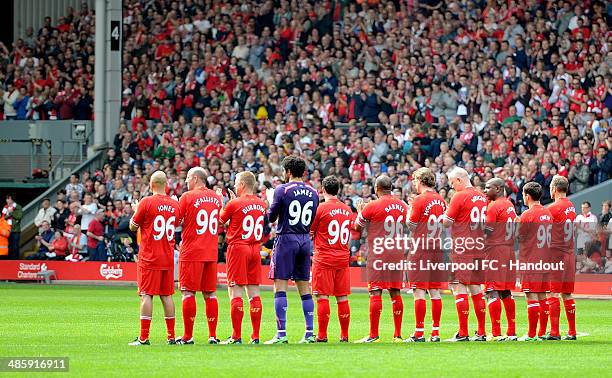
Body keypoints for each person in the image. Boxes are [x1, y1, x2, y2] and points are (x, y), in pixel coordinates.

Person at [265, 156, 319, 344]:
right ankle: (309, 333)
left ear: (288, 172)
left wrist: (270, 200)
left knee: (280, 286)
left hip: (286, 238)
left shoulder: (282, 190)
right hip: (304, 240)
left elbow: (271, 217)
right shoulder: (313, 192)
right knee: (304, 287)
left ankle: (281, 334)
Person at [354, 174, 408, 343]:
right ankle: (397, 335)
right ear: (390, 188)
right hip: (397, 252)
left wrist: (359, 212)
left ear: (377, 189)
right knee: (395, 292)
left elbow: (357, 227)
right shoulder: (402, 206)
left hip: (379, 252)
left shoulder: (372, 206)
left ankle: (373, 335)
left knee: (375, 292)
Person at [128, 170, 180, 346]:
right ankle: (171, 336)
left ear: (151, 185)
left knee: (146, 295)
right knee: (167, 295)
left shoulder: (146, 202)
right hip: (167, 255)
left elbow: (133, 226)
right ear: (166, 185)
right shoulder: (174, 204)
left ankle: (144, 337)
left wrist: (136, 210)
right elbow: (177, 223)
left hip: (149, 256)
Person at [218, 171, 267, 344]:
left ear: (243, 184)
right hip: (255, 249)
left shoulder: (234, 203)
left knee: (235, 291)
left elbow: (220, 221)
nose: (234, 186)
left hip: (238, 248)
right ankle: (255, 336)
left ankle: (236, 336)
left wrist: (222, 203)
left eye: (236, 183)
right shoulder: (262, 204)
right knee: (254, 292)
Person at [175, 167, 223, 345]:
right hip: (210, 251)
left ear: (195, 178)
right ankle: (212, 336)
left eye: (188, 178)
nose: (186, 182)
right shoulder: (216, 198)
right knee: (210, 294)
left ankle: (187, 336)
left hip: (192, 251)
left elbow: (177, 221)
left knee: (188, 293)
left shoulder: (187, 197)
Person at [443, 167, 488, 342]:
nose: (452, 186)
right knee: (476, 288)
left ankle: (463, 333)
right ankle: (482, 332)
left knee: (458, 286)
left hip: (462, 247)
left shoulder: (459, 196)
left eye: (453, 182)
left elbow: (447, 223)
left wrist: (442, 214)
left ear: (460, 180)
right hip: (479, 245)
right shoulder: (482, 197)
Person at [403, 168, 446, 343]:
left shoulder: (419, 200)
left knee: (419, 290)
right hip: (437, 247)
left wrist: (409, 209)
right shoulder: (441, 200)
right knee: (435, 290)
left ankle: (419, 333)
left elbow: (411, 225)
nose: (414, 183)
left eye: (414, 180)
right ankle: (435, 333)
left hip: (420, 248)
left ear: (419, 180)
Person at [310, 175, 354, 343]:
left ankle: (322, 335)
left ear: (323, 189)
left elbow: (311, 230)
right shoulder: (347, 209)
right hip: (342, 257)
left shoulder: (320, 208)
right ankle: (344, 335)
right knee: (342, 297)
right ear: (339, 190)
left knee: (322, 297)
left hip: (324, 258)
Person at [483, 178, 518, 341]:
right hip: (508, 250)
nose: (485, 190)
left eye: (488, 188)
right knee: (505, 291)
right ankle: (511, 332)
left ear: (497, 189)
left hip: (495, 251)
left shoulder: (494, 206)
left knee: (492, 290)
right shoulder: (509, 205)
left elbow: (487, 231)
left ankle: (496, 333)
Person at [518, 182, 553, 342]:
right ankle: (542, 333)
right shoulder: (548, 213)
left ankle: (532, 335)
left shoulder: (527, 215)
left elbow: (520, 237)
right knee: (542, 296)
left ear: (527, 196)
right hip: (545, 259)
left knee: (530, 295)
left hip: (531, 260)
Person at [547, 175, 578, 340]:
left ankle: (554, 332)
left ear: (554, 189)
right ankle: (572, 332)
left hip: (556, 255)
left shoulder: (553, 208)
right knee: (567, 293)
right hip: (569, 254)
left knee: (553, 293)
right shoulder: (571, 206)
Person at [3, 195, 23, 259]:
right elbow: (3, 218)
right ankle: (9, 261)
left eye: (8, 199)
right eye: (7, 199)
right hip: (7, 230)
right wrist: (8, 215)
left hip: (15, 230)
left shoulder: (18, 207)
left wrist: (11, 213)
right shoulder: (5, 207)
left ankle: (16, 261)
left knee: (15, 247)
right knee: (9, 247)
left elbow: (19, 217)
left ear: (12, 200)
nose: (7, 200)